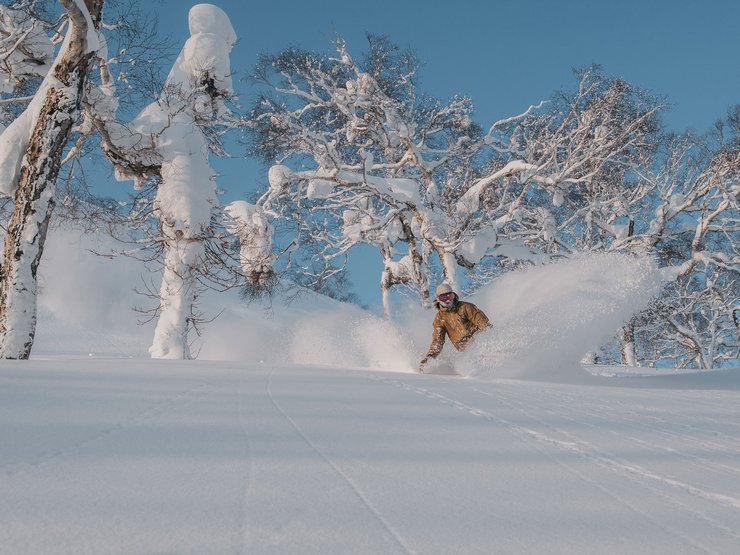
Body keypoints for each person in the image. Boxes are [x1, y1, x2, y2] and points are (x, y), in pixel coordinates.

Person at [419, 283, 491, 373]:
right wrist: (430, 357)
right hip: (464, 350)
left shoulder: (465, 307)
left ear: (453, 296)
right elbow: (438, 341)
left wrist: (488, 335)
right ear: (438, 299)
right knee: (472, 368)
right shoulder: (440, 319)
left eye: (449, 296)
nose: (447, 300)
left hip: (478, 341)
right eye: (443, 298)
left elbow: (482, 322)